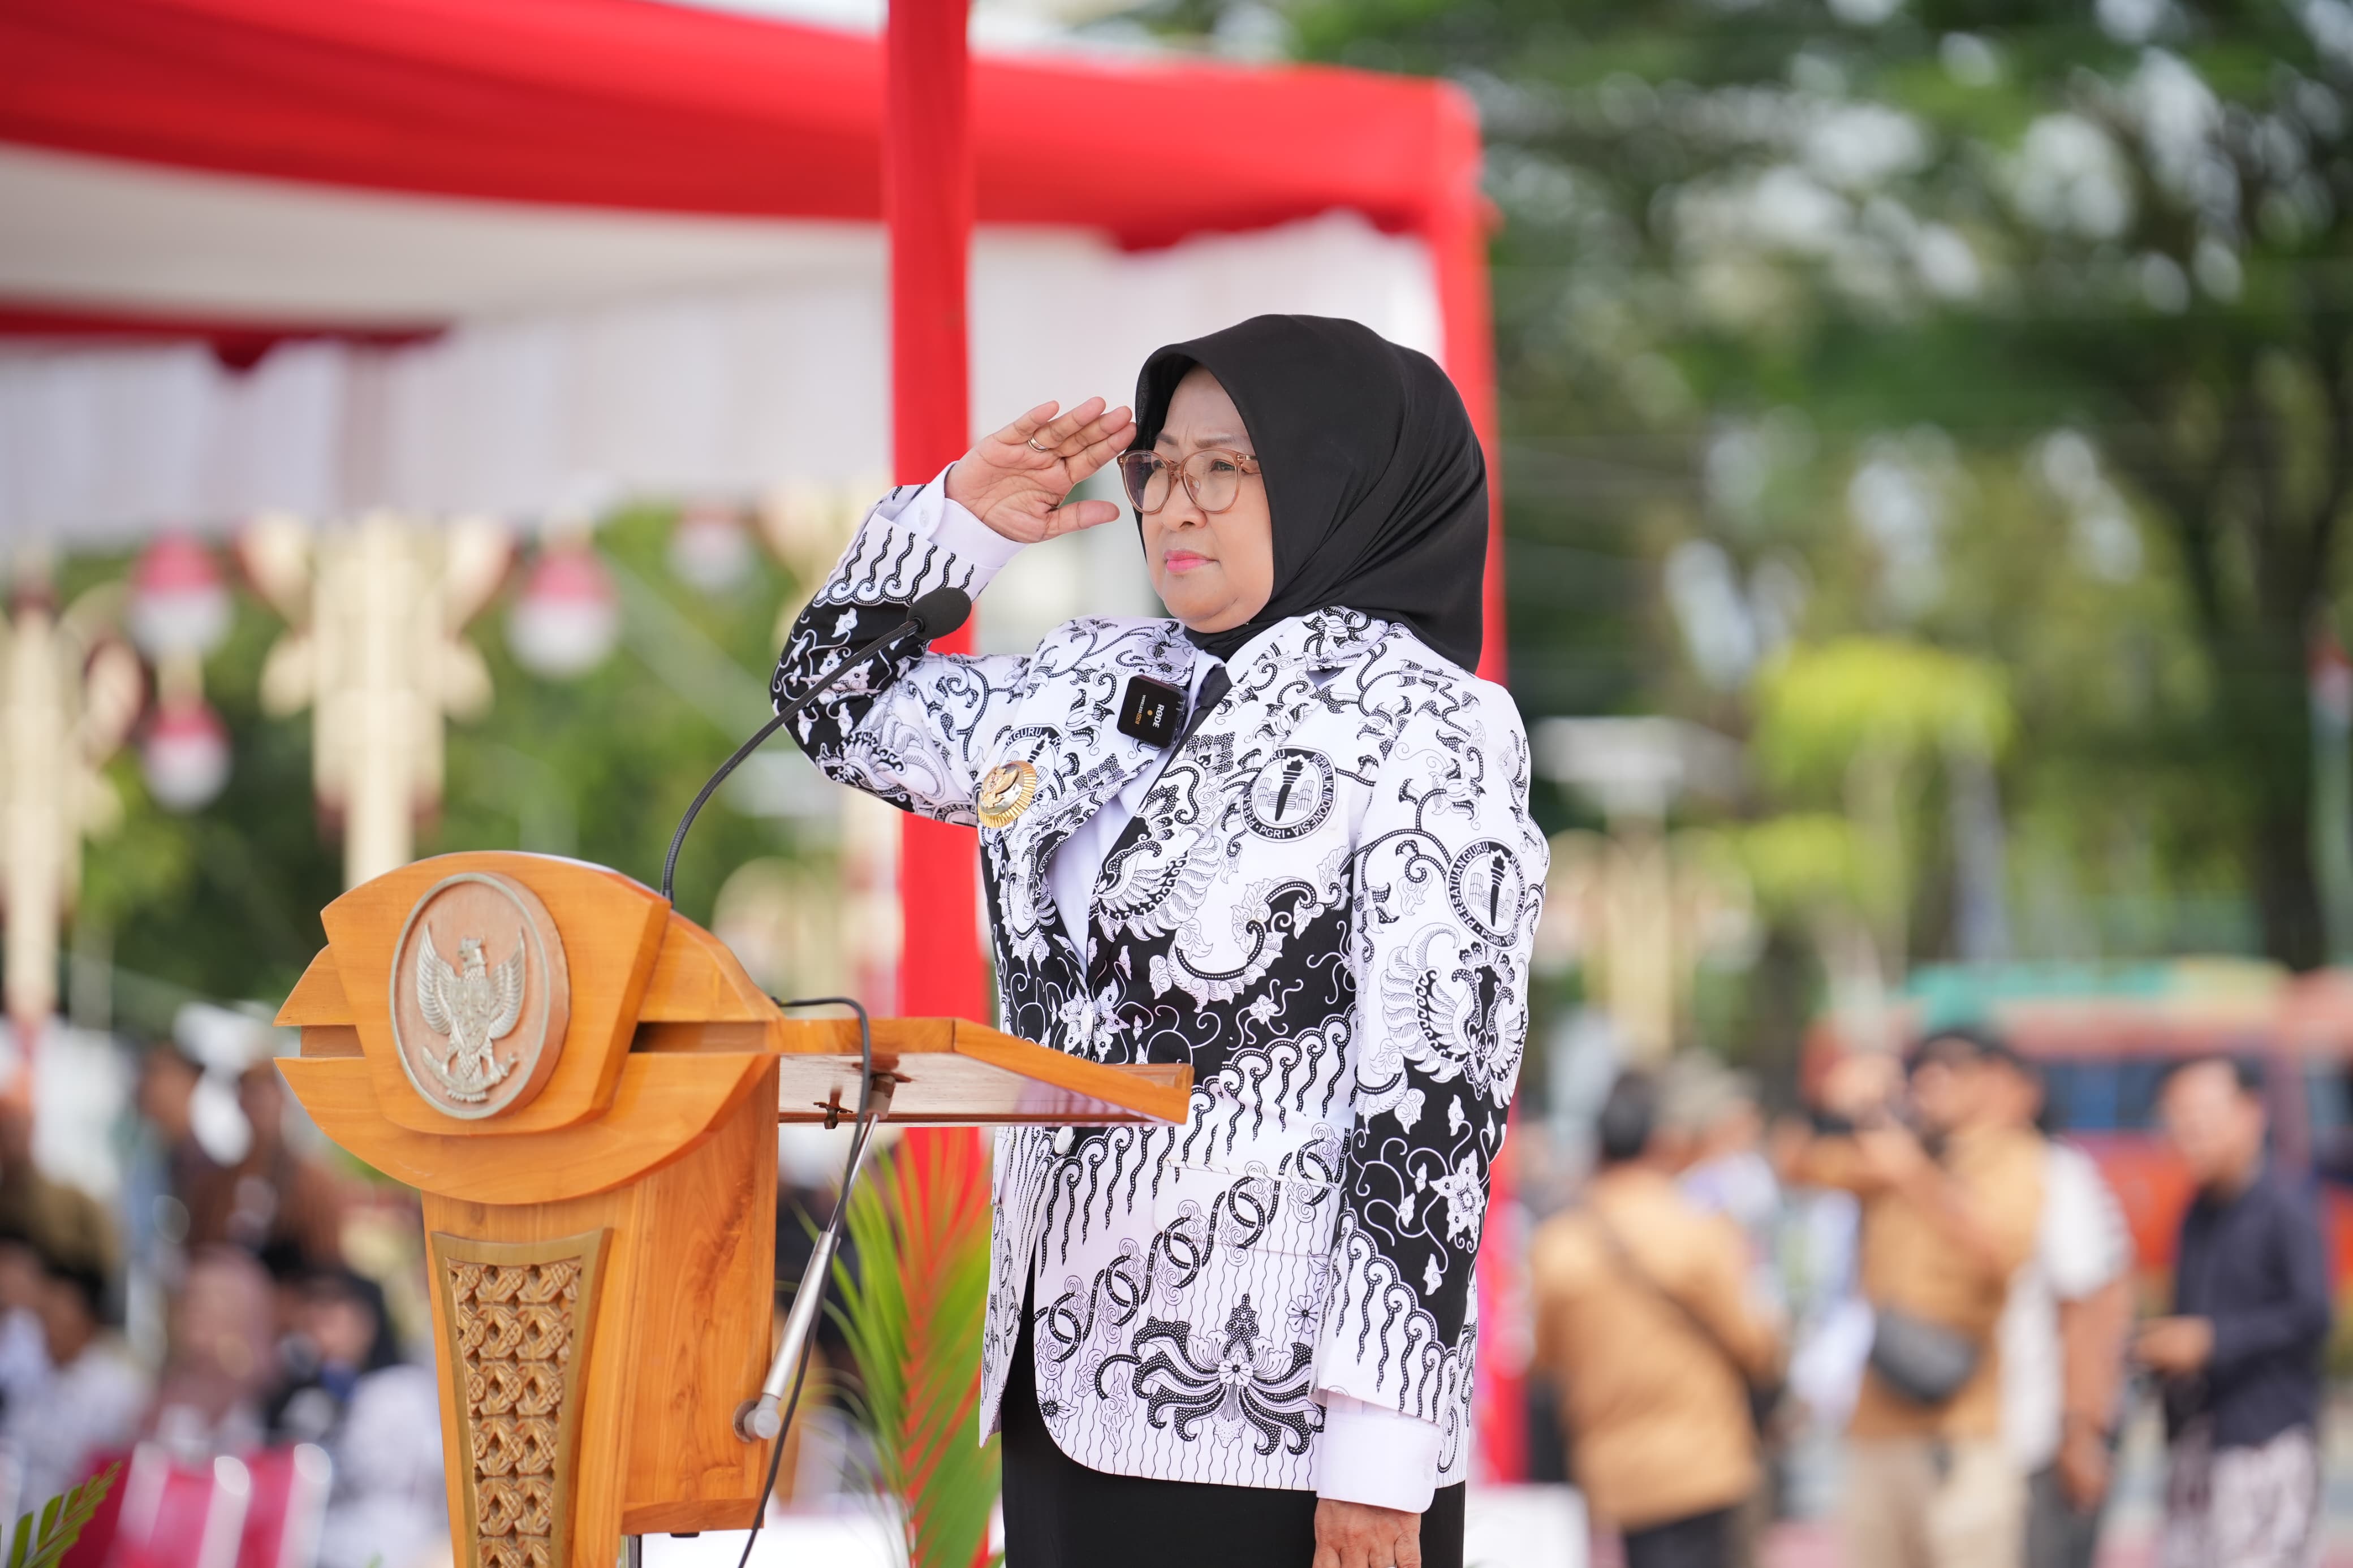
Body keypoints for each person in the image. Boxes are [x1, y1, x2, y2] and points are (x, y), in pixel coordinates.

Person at [772, 315, 1545, 1568]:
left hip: (1281, 1426)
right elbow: (833, 703)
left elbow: (1434, 1096)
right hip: (1057, 1387)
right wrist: (959, 524)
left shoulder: (1431, 721)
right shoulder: (1091, 679)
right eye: (1159, 466)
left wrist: (1379, 1459)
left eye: (1225, 467)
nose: (1174, 504)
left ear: (1339, 478)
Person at [1783, 1029, 2044, 1568]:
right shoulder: (1890, 1149)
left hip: (1960, 1427)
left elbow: (2000, 1253)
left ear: (1987, 1078)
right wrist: (1829, 1103)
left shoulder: (2010, 1155)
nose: (1934, 1079)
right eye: (1924, 1067)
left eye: (1953, 1067)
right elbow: (1795, 1165)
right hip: (1876, 1423)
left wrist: (1914, 1175)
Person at [1530, 1073, 1781, 1568]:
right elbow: (1756, 1343)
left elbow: (1546, 1360)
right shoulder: (1699, 1229)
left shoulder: (1559, 1245)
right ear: (1661, 1144)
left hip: (1614, 1465)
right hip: (1705, 1458)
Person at [2136, 1057, 2330, 1568]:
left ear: (2251, 1113)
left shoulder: (2287, 1204)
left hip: (2265, 1441)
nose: (2188, 1132)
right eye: (2176, 1118)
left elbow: (2313, 1314)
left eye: (2202, 1116)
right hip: (2198, 1441)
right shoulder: (2197, 1211)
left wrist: (2213, 1340)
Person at [1986, 1049, 2131, 1568]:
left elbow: (2095, 1307)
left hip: (2045, 1431)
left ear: (2028, 1093)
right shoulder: (1968, 1175)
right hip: (1995, 1434)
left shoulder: (2058, 1173)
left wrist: (2083, 1432)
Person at [0, 1248, 147, 1515]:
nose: (49, 1329)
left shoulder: (118, 1389)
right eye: (45, 1317)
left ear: (89, 1320)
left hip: (71, 1526)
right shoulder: (30, 1369)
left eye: (59, 1318)